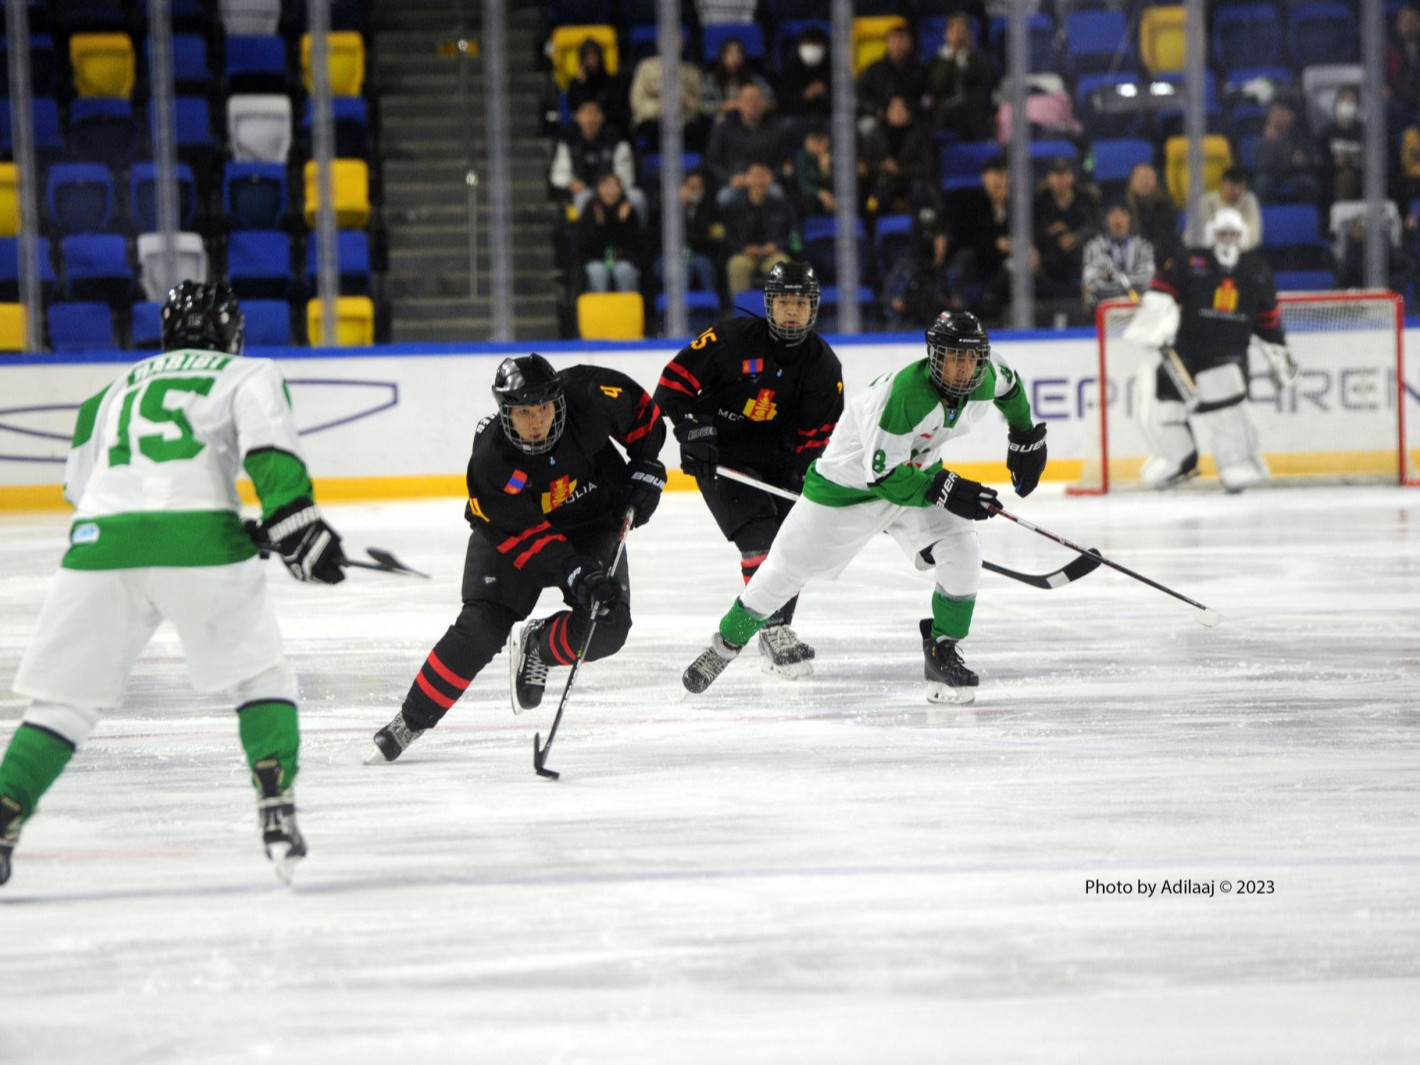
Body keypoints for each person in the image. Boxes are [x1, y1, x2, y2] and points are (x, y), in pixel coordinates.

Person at [0, 281, 344, 887]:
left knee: (63, 707)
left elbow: (85, 490)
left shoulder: (106, 394)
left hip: (101, 546)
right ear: (231, 333)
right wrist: (295, 524)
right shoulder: (247, 373)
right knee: (260, 679)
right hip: (200, 544)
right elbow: (270, 452)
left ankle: (4, 818)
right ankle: (276, 810)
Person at [680, 310, 1047, 705]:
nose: (961, 369)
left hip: (916, 478)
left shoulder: (988, 375)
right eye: (952, 358)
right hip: (846, 492)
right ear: (933, 356)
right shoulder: (906, 395)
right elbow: (885, 478)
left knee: (963, 547)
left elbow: (1011, 390)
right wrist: (945, 487)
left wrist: (1024, 434)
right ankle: (725, 645)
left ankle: (943, 652)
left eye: (970, 359)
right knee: (785, 570)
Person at [369, 354, 667, 761]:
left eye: (543, 408)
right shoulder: (491, 462)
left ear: (558, 401)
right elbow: (526, 537)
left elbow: (644, 415)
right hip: (514, 535)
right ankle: (412, 720)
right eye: (524, 412)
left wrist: (646, 463)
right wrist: (573, 569)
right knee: (480, 629)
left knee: (608, 626)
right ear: (505, 413)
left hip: (593, 522)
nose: (536, 421)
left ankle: (538, 647)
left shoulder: (590, 395)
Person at [654, 261, 844, 677]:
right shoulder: (730, 339)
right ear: (768, 305)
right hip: (723, 458)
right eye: (783, 302)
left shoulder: (823, 367)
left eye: (800, 302)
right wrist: (692, 429)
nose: (791, 311)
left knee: (793, 541)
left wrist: (809, 485)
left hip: (779, 464)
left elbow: (817, 440)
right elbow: (671, 386)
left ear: (813, 308)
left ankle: (776, 629)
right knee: (759, 535)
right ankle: (774, 629)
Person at [1122, 207, 1294, 493]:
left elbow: (1268, 321)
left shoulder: (1256, 270)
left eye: (1233, 234)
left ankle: (1238, 463)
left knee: (1227, 410)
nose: (1227, 239)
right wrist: (1154, 326)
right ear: (1213, 235)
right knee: (1163, 406)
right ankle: (1179, 459)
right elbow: (1162, 292)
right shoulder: (1192, 260)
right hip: (1186, 352)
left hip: (1228, 356)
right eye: (1222, 233)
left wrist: (1281, 357)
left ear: (1243, 235)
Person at [548, 98, 646, 222]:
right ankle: (586, 239)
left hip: (614, 191)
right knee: (584, 198)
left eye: (595, 113)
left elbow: (626, 174)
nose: (591, 118)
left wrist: (611, 187)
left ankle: (637, 238)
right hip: (584, 192)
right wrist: (571, 183)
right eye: (587, 113)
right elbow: (559, 174)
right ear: (577, 117)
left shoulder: (616, 140)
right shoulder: (568, 141)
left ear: (602, 117)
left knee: (637, 197)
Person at [720, 160, 795, 298]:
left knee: (784, 266)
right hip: (744, 253)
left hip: (773, 253)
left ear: (770, 179)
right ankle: (742, 314)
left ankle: (782, 314)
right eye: (755, 176)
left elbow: (795, 237)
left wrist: (778, 245)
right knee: (737, 265)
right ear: (746, 178)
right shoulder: (733, 207)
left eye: (763, 176)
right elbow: (727, 236)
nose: (759, 181)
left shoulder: (782, 206)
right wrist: (743, 248)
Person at [703, 82, 787, 200]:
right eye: (748, 99)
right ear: (738, 103)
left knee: (778, 194)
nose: (753, 104)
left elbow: (785, 162)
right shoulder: (724, 129)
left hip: (765, 183)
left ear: (764, 103)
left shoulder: (776, 129)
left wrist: (773, 176)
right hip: (736, 183)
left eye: (757, 99)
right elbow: (712, 162)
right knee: (725, 197)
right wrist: (729, 178)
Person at [860, 93, 940, 216]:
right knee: (875, 201)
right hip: (884, 180)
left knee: (920, 195)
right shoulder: (875, 135)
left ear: (909, 112)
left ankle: (923, 229)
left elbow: (928, 165)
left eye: (902, 108)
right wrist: (883, 167)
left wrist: (901, 170)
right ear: (886, 112)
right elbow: (867, 164)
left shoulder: (921, 135)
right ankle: (876, 232)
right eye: (894, 108)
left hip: (914, 180)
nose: (899, 112)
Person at [1032, 156, 1097, 303]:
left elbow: (1095, 228)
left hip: (1080, 255)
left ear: (1072, 177)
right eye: (1055, 175)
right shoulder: (1039, 201)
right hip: (1048, 257)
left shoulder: (1086, 199)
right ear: (1049, 178)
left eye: (1064, 174)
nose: (1060, 180)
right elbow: (1032, 231)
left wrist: (1075, 236)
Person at [925, 13, 997, 141]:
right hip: (947, 112)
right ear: (947, 34)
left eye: (963, 30)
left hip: (974, 110)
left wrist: (968, 56)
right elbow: (937, 85)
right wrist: (951, 59)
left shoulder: (980, 60)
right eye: (955, 30)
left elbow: (988, 80)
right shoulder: (937, 61)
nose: (959, 35)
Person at [575, 170, 644, 294]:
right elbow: (584, 245)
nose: (610, 191)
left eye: (614, 186)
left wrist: (622, 222)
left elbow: (635, 244)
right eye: (606, 186)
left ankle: (626, 311)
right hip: (596, 259)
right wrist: (599, 225)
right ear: (598, 189)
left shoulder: (627, 209)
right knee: (597, 271)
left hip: (622, 259)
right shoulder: (591, 208)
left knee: (625, 271)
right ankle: (599, 312)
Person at [1081, 200, 1155, 312]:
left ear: (1129, 219)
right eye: (1113, 215)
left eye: (1122, 215)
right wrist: (1128, 285)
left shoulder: (1143, 247)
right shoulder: (1093, 248)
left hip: (1137, 310)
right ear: (1106, 220)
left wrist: (1111, 277)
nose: (1117, 221)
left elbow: (1146, 282)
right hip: (1102, 310)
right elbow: (1092, 284)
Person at [856, 23, 924, 134]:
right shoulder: (874, 69)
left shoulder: (919, 70)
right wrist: (877, 110)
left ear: (911, 44)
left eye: (902, 40)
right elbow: (860, 93)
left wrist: (908, 111)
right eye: (894, 40)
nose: (898, 44)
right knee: (866, 127)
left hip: (910, 119)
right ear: (888, 44)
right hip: (878, 116)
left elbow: (925, 97)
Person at [1251, 98, 1322, 205]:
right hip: (1270, 175)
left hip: (1293, 174)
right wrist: (1290, 160)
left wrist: (1303, 161)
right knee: (1261, 184)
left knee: (1310, 184)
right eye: (1276, 113)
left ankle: (1306, 215)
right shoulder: (1263, 139)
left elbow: (1310, 158)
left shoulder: (1298, 136)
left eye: (1284, 113)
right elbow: (1264, 165)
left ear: (1291, 117)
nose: (1280, 117)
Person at [1317, 86, 1365, 207]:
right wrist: (1334, 164)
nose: (1347, 104)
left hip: (1362, 176)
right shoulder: (1327, 132)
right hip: (1335, 177)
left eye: (1351, 101)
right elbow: (1322, 160)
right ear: (1337, 104)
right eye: (1344, 100)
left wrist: (1349, 162)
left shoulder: (1366, 133)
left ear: (1358, 106)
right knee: (1343, 179)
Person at [775, 23, 832, 124]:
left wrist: (825, 94)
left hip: (827, 116)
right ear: (800, 46)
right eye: (807, 44)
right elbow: (783, 103)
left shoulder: (834, 70)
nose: (811, 48)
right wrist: (805, 96)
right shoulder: (790, 70)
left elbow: (844, 103)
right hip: (798, 118)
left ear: (825, 47)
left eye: (816, 44)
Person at [1125, 162, 1181, 261]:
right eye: (1140, 178)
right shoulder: (1123, 209)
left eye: (1148, 178)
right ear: (1131, 182)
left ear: (1156, 182)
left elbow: (1168, 242)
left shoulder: (1165, 208)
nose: (1144, 182)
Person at [1198, 166, 1262, 251]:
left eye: (1241, 188)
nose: (1237, 191)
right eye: (1232, 187)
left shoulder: (1249, 200)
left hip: (1242, 252)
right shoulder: (1207, 202)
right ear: (1222, 185)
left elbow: (1254, 237)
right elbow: (1201, 236)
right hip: (1212, 253)